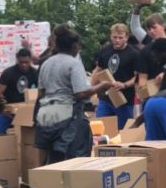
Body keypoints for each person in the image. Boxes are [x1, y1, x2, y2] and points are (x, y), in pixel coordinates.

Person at [37, 25, 113, 164]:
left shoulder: (46, 63)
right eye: (78, 45)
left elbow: (41, 94)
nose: (79, 49)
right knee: (75, 160)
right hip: (68, 117)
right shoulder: (73, 63)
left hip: (48, 116)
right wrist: (101, 86)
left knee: (54, 160)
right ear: (73, 46)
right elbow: (80, 94)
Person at [91, 23, 138, 130]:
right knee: (101, 130)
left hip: (124, 99)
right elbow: (98, 70)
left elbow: (138, 77)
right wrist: (91, 89)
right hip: (106, 98)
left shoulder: (134, 54)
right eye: (114, 37)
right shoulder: (105, 50)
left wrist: (124, 85)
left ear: (126, 37)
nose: (117, 40)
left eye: (120, 38)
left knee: (123, 131)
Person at [0, 48, 39, 135]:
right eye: (21, 62)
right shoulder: (8, 73)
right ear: (17, 59)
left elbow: (39, 92)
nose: (24, 65)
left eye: (26, 62)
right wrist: (3, 108)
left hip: (27, 110)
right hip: (8, 111)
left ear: (30, 60)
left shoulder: (35, 73)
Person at [137, 13, 166, 91]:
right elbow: (142, 79)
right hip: (155, 93)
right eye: (149, 29)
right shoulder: (145, 50)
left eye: (154, 27)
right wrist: (144, 95)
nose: (151, 31)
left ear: (163, 25)